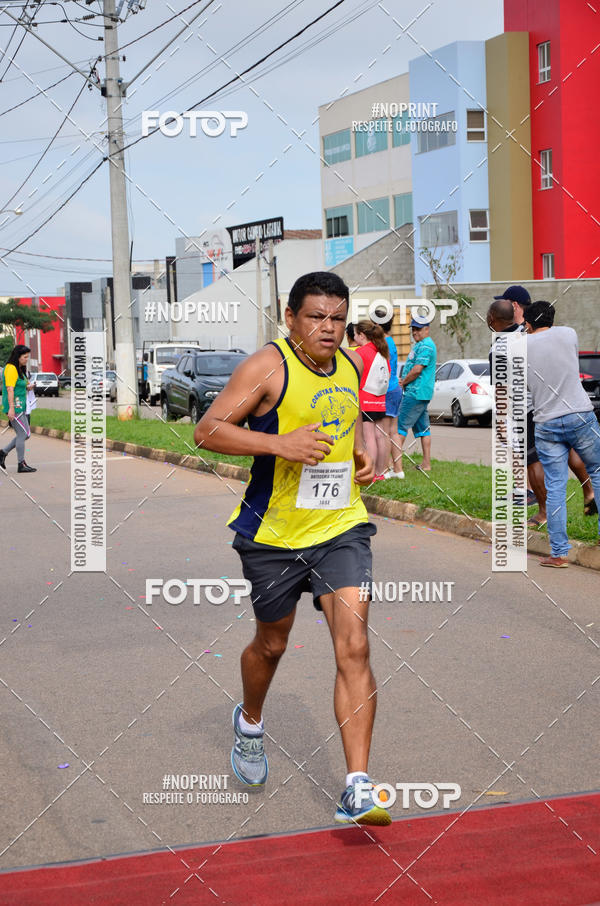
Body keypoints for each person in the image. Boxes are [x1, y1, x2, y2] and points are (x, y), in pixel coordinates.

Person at [194, 271, 391, 826]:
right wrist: (278, 443)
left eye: (337, 318)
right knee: (271, 646)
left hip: (340, 528)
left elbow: (351, 422)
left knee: (353, 645)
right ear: (290, 317)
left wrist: (361, 454)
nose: (328, 329)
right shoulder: (266, 368)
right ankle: (250, 722)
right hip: (273, 536)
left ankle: (357, 786)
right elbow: (207, 431)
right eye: (316, 318)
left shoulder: (351, 363)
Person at [524, 301, 600, 567]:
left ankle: (558, 554)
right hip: (579, 413)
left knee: (556, 485)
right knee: (598, 471)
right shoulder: (569, 334)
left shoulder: (521, 346)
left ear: (528, 324)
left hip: (546, 421)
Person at [392, 319, 437, 476]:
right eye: (413, 329)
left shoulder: (426, 345)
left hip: (415, 393)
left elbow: (417, 369)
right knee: (423, 429)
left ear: (427, 329)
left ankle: (395, 467)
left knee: (400, 427)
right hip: (420, 393)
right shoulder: (420, 344)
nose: (415, 332)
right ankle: (426, 464)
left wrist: (403, 382)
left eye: (418, 329)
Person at [353, 320, 391, 479]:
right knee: (380, 436)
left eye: (355, 334)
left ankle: (370, 473)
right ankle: (381, 472)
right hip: (380, 399)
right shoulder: (382, 351)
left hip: (365, 399)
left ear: (362, 335)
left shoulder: (361, 352)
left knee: (368, 437)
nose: (354, 337)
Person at [0, 344, 36, 473]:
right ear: (18, 356)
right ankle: (21, 464)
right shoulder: (10, 369)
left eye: (28, 357)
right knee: (23, 434)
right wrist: (11, 409)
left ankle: (3, 453)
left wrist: (29, 387)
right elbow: (10, 389)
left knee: (25, 434)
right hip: (14, 406)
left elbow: (21, 385)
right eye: (25, 357)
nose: (27, 359)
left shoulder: (19, 369)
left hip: (22, 406)